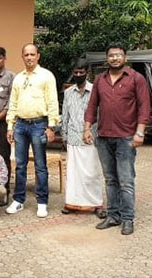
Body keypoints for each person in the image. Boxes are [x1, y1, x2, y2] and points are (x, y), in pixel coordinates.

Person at [85, 44, 151, 235]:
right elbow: (92, 105)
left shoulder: (136, 79)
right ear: (107, 59)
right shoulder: (100, 80)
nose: (115, 58)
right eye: (111, 56)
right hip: (104, 137)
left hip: (126, 137)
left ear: (125, 57)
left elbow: (144, 107)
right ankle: (113, 216)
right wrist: (87, 128)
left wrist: (140, 132)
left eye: (118, 55)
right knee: (110, 179)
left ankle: (128, 218)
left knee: (126, 180)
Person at [5, 44, 59, 218]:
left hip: (39, 125)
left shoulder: (46, 76)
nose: (29, 57)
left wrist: (51, 126)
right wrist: (10, 126)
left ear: (38, 56)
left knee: (40, 165)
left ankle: (42, 202)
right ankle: (19, 200)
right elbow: (12, 103)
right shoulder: (18, 78)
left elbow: (52, 102)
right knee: (20, 165)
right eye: (26, 54)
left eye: (32, 54)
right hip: (20, 125)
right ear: (22, 57)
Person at [60, 61, 102, 215]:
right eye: (76, 72)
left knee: (92, 173)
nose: (78, 75)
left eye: (81, 72)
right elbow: (65, 115)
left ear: (87, 72)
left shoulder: (95, 91)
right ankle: (72, 203)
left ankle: (96, 204)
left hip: (91, 138)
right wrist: (64, 136)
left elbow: (100, 114)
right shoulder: (68, 92)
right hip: (72, 138)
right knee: (73, 174)